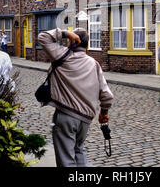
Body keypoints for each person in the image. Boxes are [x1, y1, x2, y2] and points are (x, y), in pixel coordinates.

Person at [38, 27, 114, 167]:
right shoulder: (94, 64)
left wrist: (65, 33)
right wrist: (104, 113)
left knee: (66, 158)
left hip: (66, 115)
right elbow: (106, 95)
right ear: (87, 45)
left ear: (73, 41)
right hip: (85, 119)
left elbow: (43, 37)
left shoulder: (62, 56)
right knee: (79, 150)